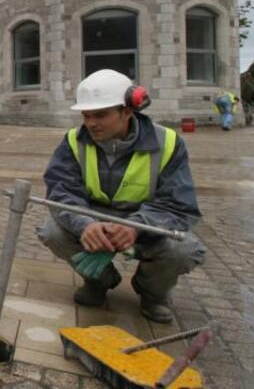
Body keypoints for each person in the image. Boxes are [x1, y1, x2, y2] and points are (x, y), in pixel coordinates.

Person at [39, 69, 205, 324]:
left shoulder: (168, 143)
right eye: (86, 115)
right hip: (95, 220)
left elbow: (178, 205)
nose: (91, 123)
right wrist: (85, 225)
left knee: (182, 249)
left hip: (145, 225)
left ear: (127, 111)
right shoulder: (74, 141)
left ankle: (152, 293)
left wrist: (136, 227)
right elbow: (61, 191)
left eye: (101, 115)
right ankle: (98, 281)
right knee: (53, 231)